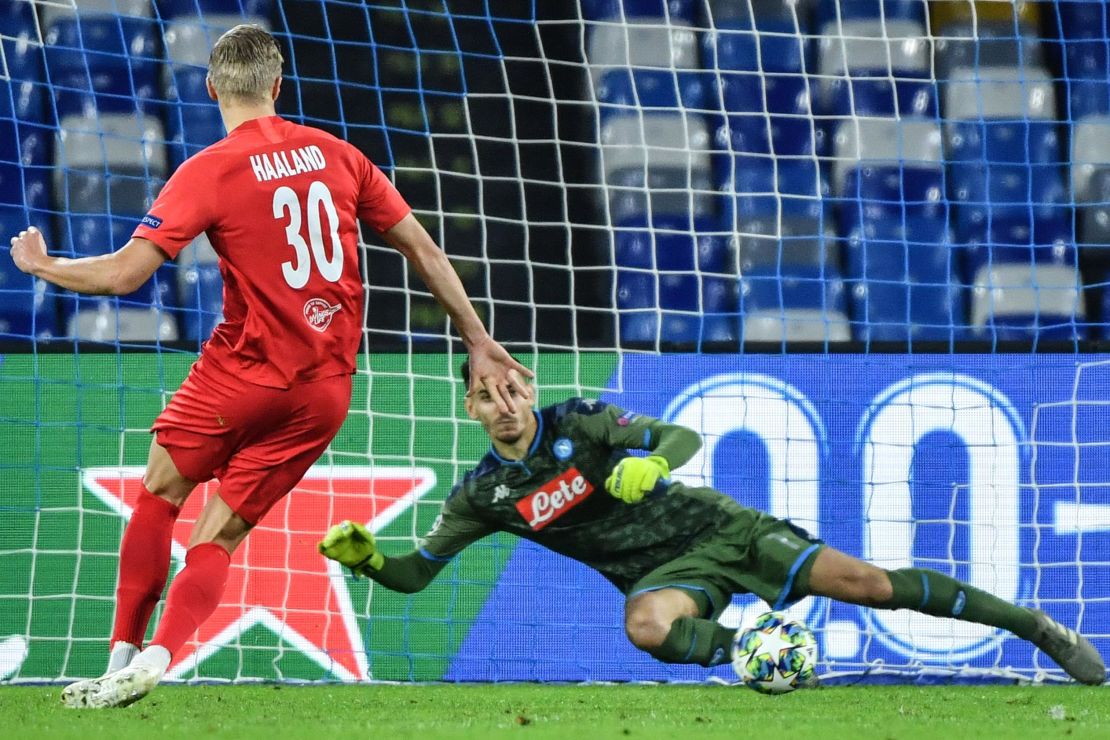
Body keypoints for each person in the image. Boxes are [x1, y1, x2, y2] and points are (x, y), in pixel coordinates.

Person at [8, 25, 531, 708]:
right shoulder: (338, 155)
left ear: (211, 88)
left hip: (241, 373)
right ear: (277, 86)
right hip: (324, 393)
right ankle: (163, 655)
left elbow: (123, 277)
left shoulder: (209, 170)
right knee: (217, 536)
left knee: (161, 493)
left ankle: (123, 653)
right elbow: (425, 251)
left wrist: (46, 266)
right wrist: (477, 338)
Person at [319, 361, 1106, 686]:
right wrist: (370, 562)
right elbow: (417, 575)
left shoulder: (582, 423)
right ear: (471, 408)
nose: (502, 405)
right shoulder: (482, 497)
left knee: (869, 583)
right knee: (646, 627)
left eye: (509, 388)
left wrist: (652, 460)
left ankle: (1034, 627)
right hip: (667, 577)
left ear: (526, 387)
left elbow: (677, 436)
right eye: (485, 396)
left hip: (717, 529)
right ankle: (760, 655)